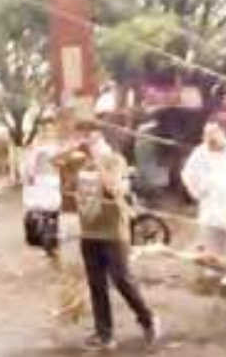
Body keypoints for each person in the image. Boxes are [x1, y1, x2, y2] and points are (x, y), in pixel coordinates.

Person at [60, 123, 159, 351]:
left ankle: (148, 319)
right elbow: (55, 166)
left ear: (102, 138)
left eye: (92, 137)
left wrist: (98, 160)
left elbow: (112, 188)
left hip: (113, 231)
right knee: (96, 284)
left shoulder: (115, 160)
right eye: (84, 137)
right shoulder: (79, 162)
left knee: (122, 279)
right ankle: (104, 333)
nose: (87, 141)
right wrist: (69, 150)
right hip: (89, 230)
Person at [181, 121, 226, 267]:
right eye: (207, 134)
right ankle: (213, 273)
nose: (210, 137)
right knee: (211, 242)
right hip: (210, 206)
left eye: (214, 133)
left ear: (223, 133)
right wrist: (200, 189)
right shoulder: (199, 154)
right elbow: (188, 174)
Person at [21, 136, 63, 257]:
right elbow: (28, 176)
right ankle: (50, 245)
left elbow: (27, 177)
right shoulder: (37, 155)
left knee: (49, 221)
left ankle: (49, 245)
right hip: (46, 200)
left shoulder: (35, 154)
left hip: (44, 199)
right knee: (49, 220)